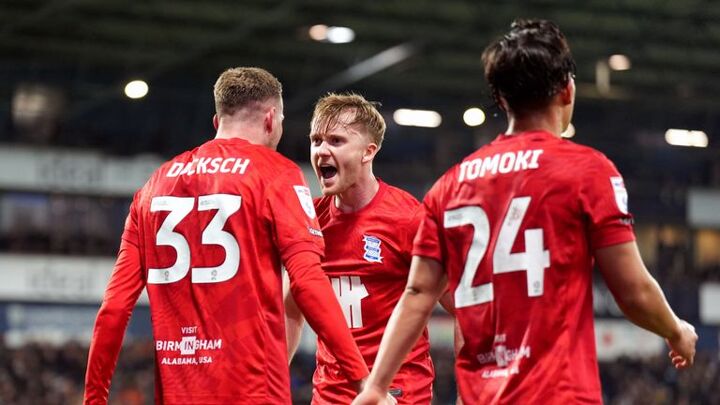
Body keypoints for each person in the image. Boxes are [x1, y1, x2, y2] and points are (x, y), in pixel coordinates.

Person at [353, 19, 698, 405]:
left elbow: (417, 293)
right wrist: (676, 330)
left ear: (501, 100)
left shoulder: (448, 186)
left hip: (481, 396)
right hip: (557, 394)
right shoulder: (587, 171)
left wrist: (376, 386)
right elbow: (632, 290)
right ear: (567, 90)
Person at [84, 67, 368, 404]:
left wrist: (94, 399)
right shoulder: (275, 173)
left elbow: (114, 308)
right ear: (271, 119)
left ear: (217, 121)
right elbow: (307, 282)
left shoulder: (153, 186)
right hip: (253, 392)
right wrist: (363, 381)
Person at [284, 93, 436, 404]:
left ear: (369, 151)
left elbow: (461, 306)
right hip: (329, 394)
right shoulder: (310, 219)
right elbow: (291, 308)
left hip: (396, 393)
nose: (321, 150)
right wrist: (270, 383)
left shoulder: (409, 218)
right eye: (316, 140)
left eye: (336, 141)